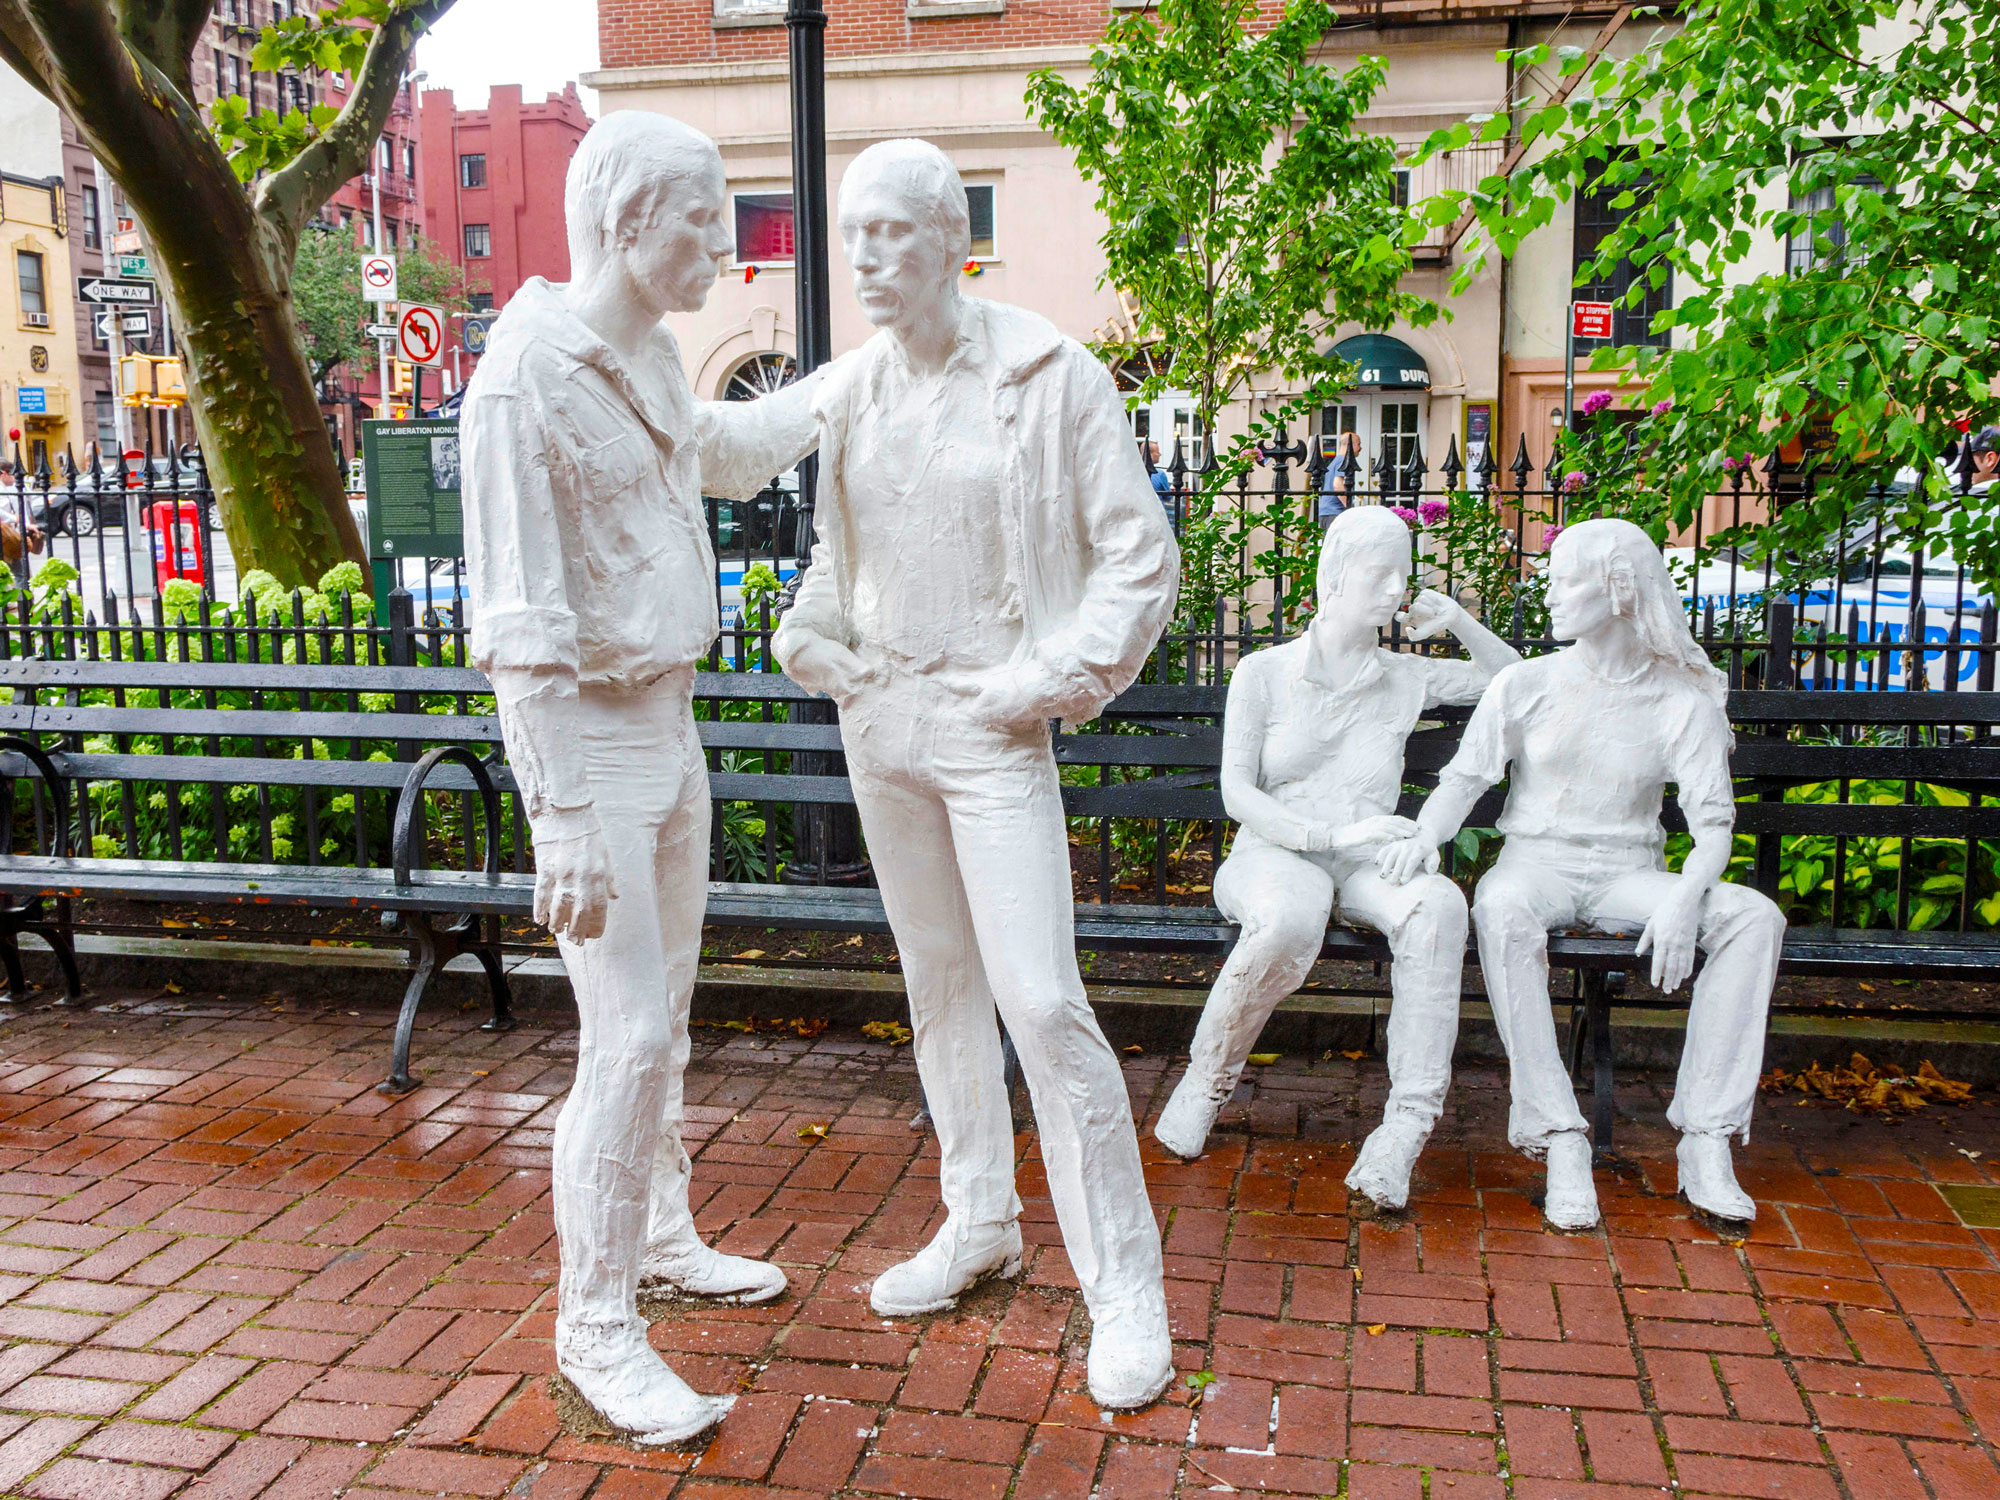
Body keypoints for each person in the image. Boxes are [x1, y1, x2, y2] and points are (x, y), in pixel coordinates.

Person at [773, 138, 1180, 1410]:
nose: (864, 258)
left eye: (889, 232)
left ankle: (1123, 1286)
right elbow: (850, 562)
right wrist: (807, 629)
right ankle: (978, 1222)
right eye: (851, 235)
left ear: (954, 239)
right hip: (880, 722)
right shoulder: (850, 395)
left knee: (1041, 1004)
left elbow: (1138, 559)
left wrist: (1046, 683)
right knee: (938, 990)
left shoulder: (1050, 376)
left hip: (991, 724)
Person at [461, 112, 821, 1443]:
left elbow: (721, 459)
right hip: (594, 751)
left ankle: (660, 1235)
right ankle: (596, 1325)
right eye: (704, 224)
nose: (723, 253)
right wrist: (557, 817)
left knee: (664, 1017)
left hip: (669, 731)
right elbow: (518, 626)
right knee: (623, 1043)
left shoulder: (654, 355)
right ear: (627, 221)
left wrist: (848, 388)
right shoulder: (522, 379)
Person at [1377, 518, 1783, 1229]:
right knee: (1499, 907)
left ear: (1619, 591)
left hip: (1630, 873)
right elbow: (1463, 781)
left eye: (1566, 581)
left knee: (1754, 917)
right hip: (1537, 865)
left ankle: (1706, 1137)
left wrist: (1687, 898)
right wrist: (1425, 837)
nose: (1551, 596)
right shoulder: (1527, 684)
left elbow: (1715, 828)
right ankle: (1559, 1134)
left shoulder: (1679, 700)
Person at [1153, 508, 1519, 1211]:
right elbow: (1237, 793)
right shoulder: (1265, 673)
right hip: (1275, 851)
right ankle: (1207, 1078)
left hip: (1365, 858)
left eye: (1403, 575)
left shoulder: (1406, 677)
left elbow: (1515, 685)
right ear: (1333, 576)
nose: (1395, 589)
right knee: (1293, 917)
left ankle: (1403, 1131)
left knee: (1439, 908)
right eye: (1380, 573)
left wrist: (1462, 623)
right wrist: (1327, 839)